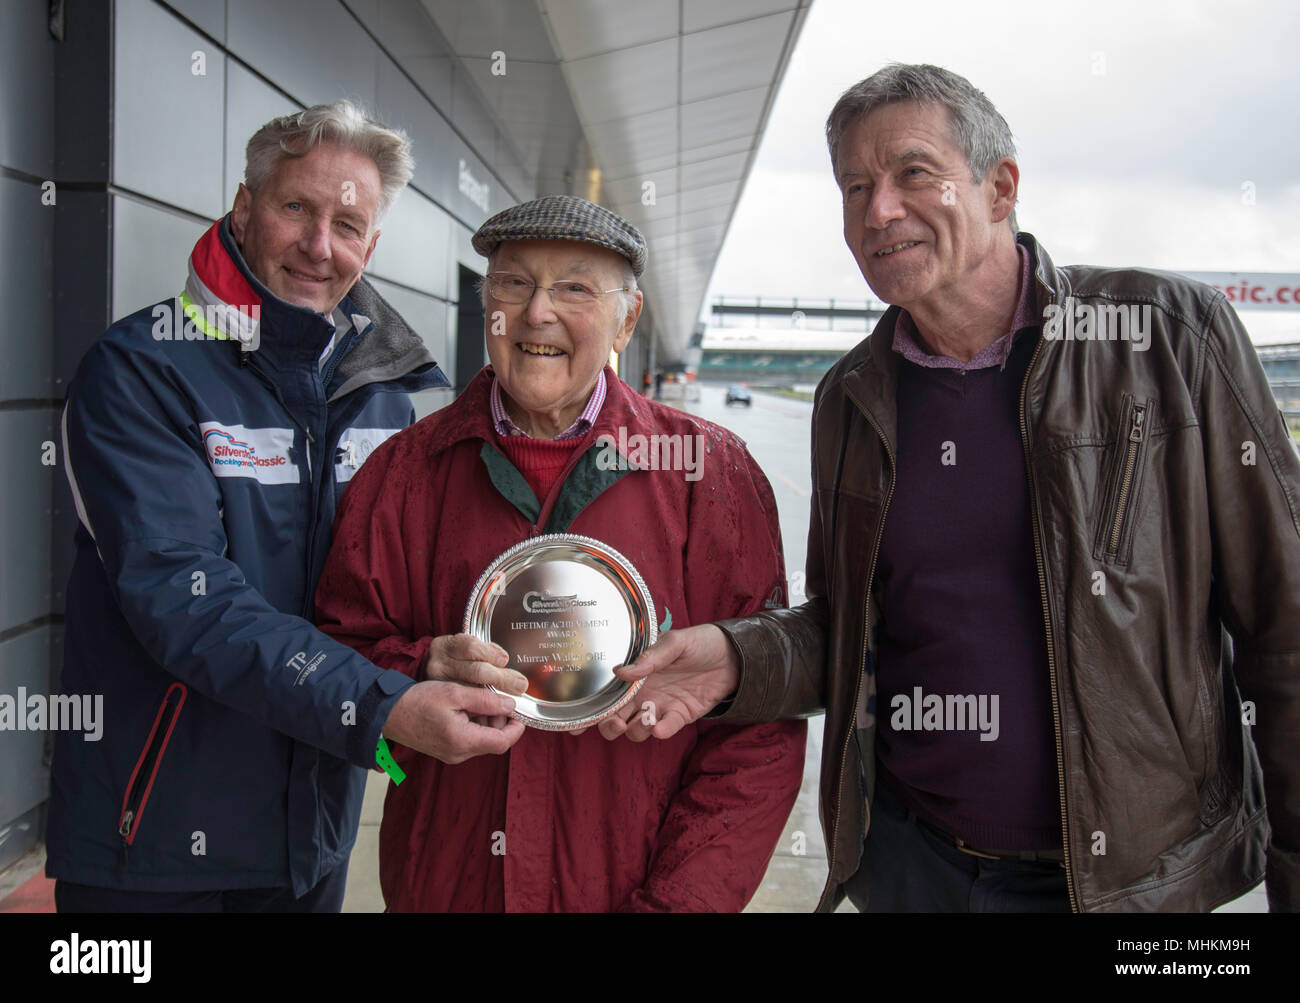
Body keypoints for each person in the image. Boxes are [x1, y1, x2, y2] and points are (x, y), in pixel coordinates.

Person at [603, 64, 1300, 914]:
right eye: (855, 186)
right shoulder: (852, 395)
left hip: (1137, 892)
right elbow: (850, 626)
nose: (877, 210)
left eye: (913, 174)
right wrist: (738, 656)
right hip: (912, 869)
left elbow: (1286, 629)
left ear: (1000, 187)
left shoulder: (1170, 338)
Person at [48, 100, 524, 913]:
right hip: (153, 846)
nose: (318, 245)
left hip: (312, 840)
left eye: (347, 223)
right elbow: (187, 605)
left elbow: (370, 605)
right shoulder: (139, 371)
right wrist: (386, 703)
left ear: (370, 247)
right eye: (296, 206)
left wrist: (431, 662)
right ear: (244, 207)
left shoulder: (382, 400)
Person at [314, 194, 807, 912]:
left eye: (575, 287)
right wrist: (410, 683)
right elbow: (337, 672)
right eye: (514, 283)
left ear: (628, 318)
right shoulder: (401, 474)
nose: (537, 312)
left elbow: (759, 728)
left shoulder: (709, 473)